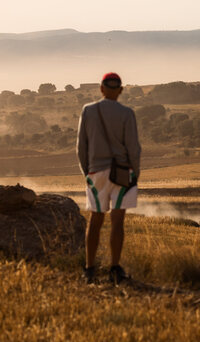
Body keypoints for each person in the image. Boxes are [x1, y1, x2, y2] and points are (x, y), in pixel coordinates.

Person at [76, 72, 141, 284]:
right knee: (117, 221)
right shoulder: (127, 113)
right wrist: (135, 174)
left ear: (101, 88)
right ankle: (114, 267)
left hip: (96, 171)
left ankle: (89, 269)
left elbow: (81, 147)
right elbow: (133, 147)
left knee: (95, 220)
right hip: (122, 172)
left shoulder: (88, 110)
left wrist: (87, 172)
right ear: (120, 90)